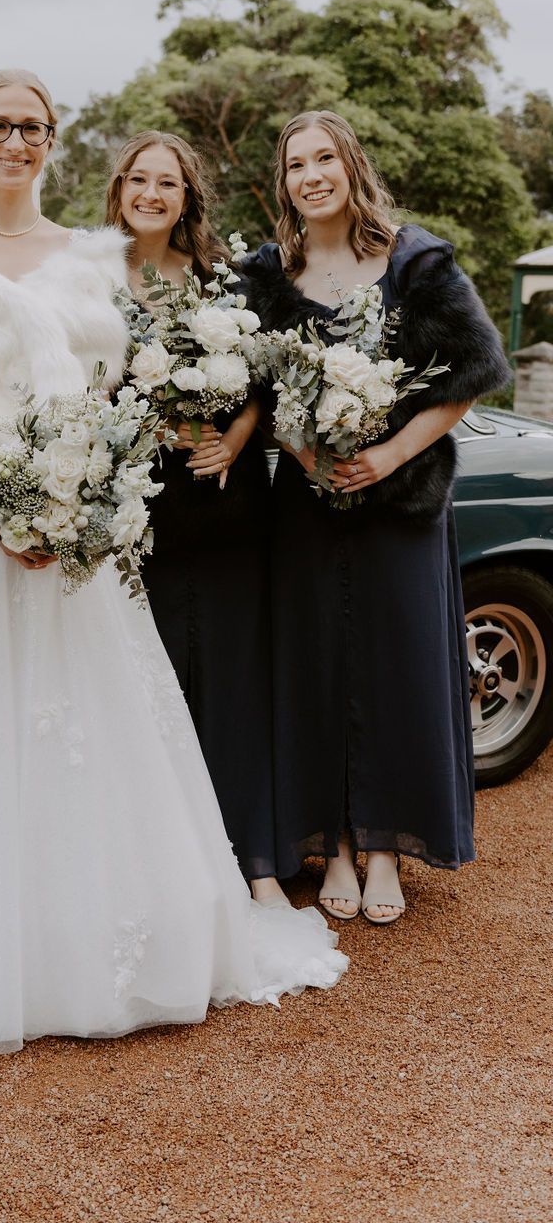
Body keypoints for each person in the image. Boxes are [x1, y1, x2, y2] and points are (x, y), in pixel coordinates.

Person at [0, 70, 345, 1054]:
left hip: (66, 519)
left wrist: (76, 497)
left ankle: (85, 936)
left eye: (33, 128)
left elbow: (99, 396)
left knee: (80, 724)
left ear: (51, 142)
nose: (15, 142)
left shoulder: (84, 257)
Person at [244, 110, 508, 924]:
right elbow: (250, 387)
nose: (311, 175)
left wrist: (389, 457)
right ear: (284, 183)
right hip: (305, 507)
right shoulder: (267, 272)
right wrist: (305, 453)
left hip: (403, 504)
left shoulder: (414, 259)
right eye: (296, 165)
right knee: (315, 666)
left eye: (325, 158)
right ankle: (341, 848)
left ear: (352, 166)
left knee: (396, 669)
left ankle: (387, 846)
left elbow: (470, 372)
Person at [107, 131, 284, 900]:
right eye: (139, 180)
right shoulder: (86, 283)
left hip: (225, 506)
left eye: (168, 184)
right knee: (150, 690)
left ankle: (254, 861)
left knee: (234, 683)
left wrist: (233, 435)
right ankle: (165, 866)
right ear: (118, 191)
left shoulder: (226, 280)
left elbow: (265, 388)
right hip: (134, 516)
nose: (152, 193)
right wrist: (145, 425)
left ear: (188, 199)